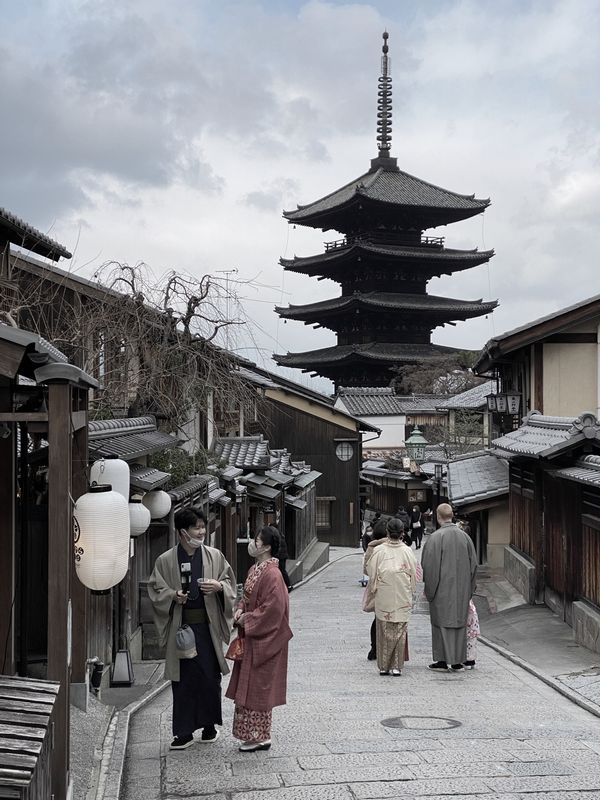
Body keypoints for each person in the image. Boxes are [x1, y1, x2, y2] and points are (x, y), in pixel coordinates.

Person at [147, 508, 236, 750]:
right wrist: (173, 596)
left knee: (209, 678)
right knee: (184, 681)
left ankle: (209, 727)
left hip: (207, 628)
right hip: (181, 626)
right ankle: (184, 732)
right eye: (196, 528)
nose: (201, 532)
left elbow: (229, 582)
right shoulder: (166, 560)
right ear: (182, 532)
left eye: (203, 527)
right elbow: (155, 589)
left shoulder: (214, 556)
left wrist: (218, 587)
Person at [226, 525, 293, 751]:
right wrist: (240, 609)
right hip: (252, 636)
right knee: (249, 683)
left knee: (259, 686)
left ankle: (260, 736)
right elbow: (247, 597)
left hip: (265, 639)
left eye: (256, 540)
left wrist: (248, 619)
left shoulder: (273, 574)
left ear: (266, 547)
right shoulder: (255, 569)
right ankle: (252, 735)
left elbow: (273, 609)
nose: (252, 543)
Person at [421, 503, 477, 672]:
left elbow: (429, 568)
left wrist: (429, 591)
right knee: (459, 624)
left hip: (441, 591)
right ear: (451, 516)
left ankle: (442, 660)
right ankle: (458, 660)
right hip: (462, 591)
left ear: (438, 517)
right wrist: (469, 589)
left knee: (441, 624)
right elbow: (474, 566)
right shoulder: (465, 537)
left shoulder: (435, 538)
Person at [365, 518, 418, 676]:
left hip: (384, 593)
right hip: (402, 594)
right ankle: (396, 666)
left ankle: (383, 666)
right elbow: (414, 573)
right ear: (402, 533)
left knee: (383, 628)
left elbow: (370, 571)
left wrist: (375, 586)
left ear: (387, 532)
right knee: (400, 630)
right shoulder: (407, 551)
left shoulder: (379, 551)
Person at [363, 516, 389, 659]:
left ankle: (374, 648)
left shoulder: (371, 546)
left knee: (377, 617)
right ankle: (388, 648)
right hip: (391, 587)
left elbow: (366, 570)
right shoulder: (393, 545)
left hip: (376, 587)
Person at [276, 526, 293, 592]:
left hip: (281, 556)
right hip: (282, 556)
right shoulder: (280, 535)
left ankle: (288, 585)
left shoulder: (277, 536)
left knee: (282, 571)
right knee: (282, 571)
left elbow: (280, 548)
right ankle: (286, 585)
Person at [464, 599, 480, 669]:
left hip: (469, 625)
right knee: (472, 644)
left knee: (468, 644)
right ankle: (472, 661)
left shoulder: (466, 602)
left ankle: (468, 661)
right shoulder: (470, 602)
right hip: (473, 625)